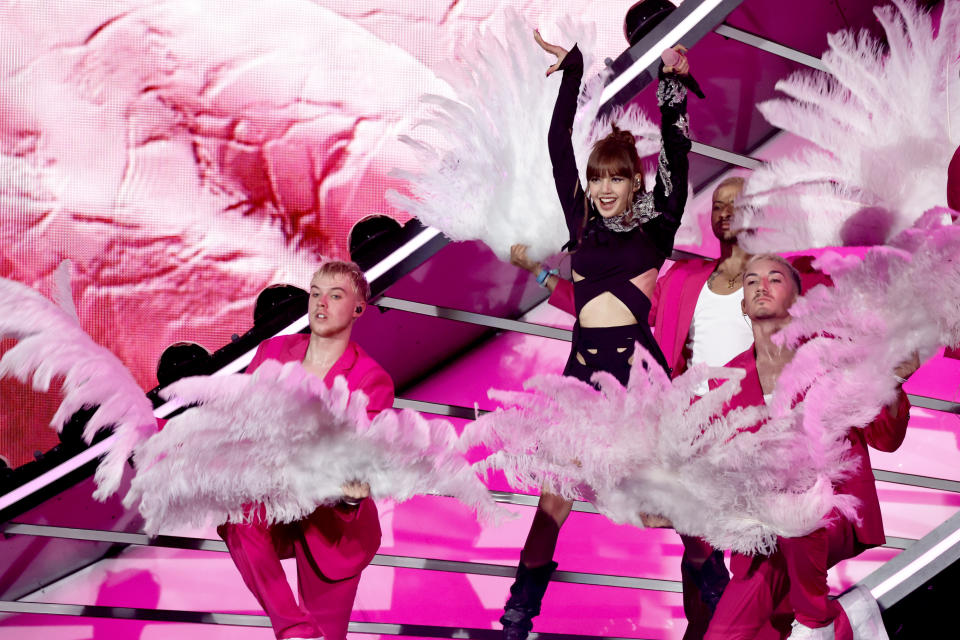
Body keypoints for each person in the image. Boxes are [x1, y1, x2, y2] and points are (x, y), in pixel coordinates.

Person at [499, 26, 693, 640]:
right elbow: (559, 144)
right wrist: (575, 73)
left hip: (639, 371)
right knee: (553, 498)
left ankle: (711, 590)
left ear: (634, 181)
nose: (605, 189)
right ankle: (520, 609)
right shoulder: (581, 222)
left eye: (616, 178)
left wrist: (672, 88)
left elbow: (678, 159)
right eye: (599, 178)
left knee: (676, 489)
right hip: (581, 374)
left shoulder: (654, 229)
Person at [703, 253, 917, 640]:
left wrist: (891, 385)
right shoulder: (725, 382)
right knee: (726, 635)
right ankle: (845, 620)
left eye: (774, 279)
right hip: (764, 543)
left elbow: (885, 438)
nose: (760, 287)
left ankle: (817, 621)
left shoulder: (833, 361)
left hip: (832, 511)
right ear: (742, 304)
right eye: (751, 281)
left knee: (796, 509)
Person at [216, 260, 394, 640]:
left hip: (332, 527)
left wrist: (349, 495)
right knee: (240, 514)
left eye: (335, 295)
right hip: (277, 503)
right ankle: (293, 631)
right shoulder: (272, 352)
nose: (321, 304)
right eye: (315, 294)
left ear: (359, 308)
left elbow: (362, 458)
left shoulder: (372, 380)